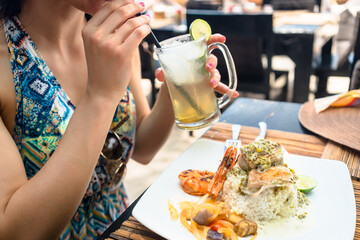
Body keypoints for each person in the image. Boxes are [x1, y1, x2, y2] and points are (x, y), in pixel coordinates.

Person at [0, 0, 238, 239]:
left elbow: (142, 149)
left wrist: (175, 85)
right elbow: (17, 232)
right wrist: (100, 96)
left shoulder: (114, 39)